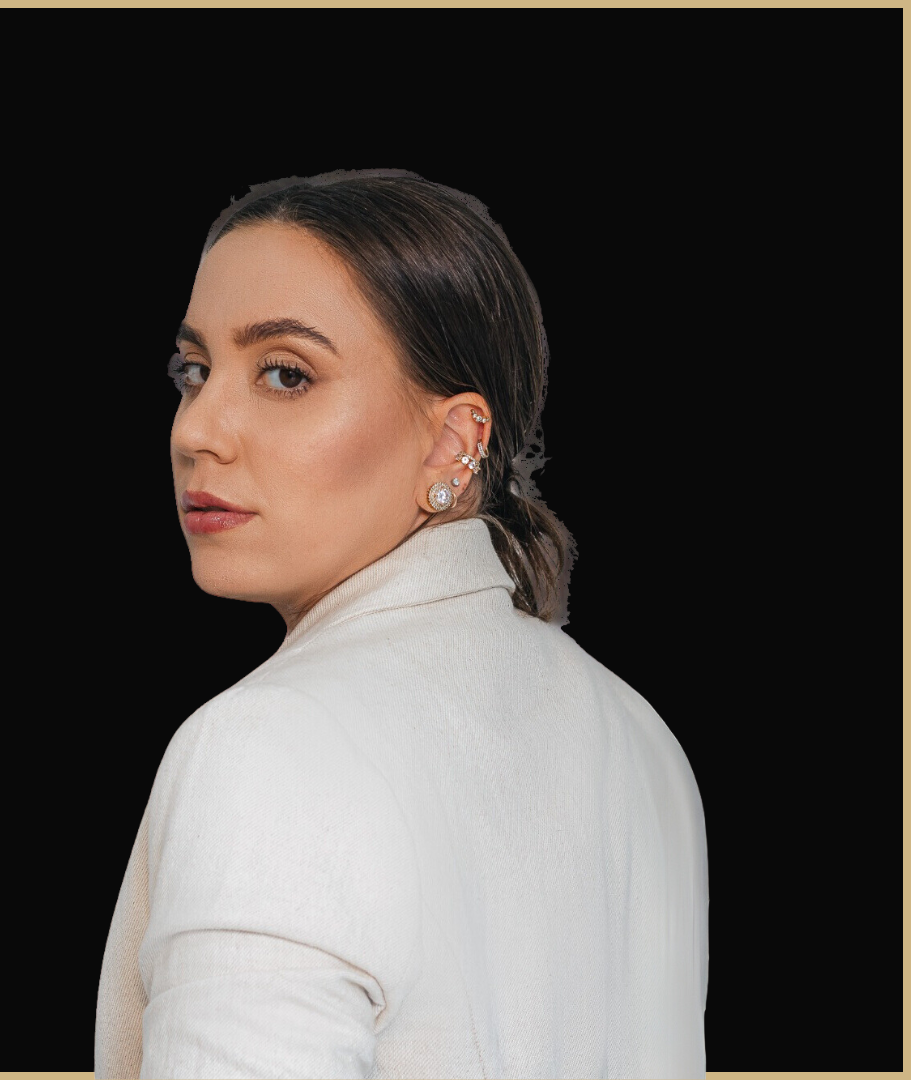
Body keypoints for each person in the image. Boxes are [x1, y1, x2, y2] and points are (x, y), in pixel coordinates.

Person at [94, 169, 709, 1080]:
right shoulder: (641, 739)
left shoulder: (269, 744)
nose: (198, 431)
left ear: (453, 443)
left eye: (285, 374)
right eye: (195, 371)